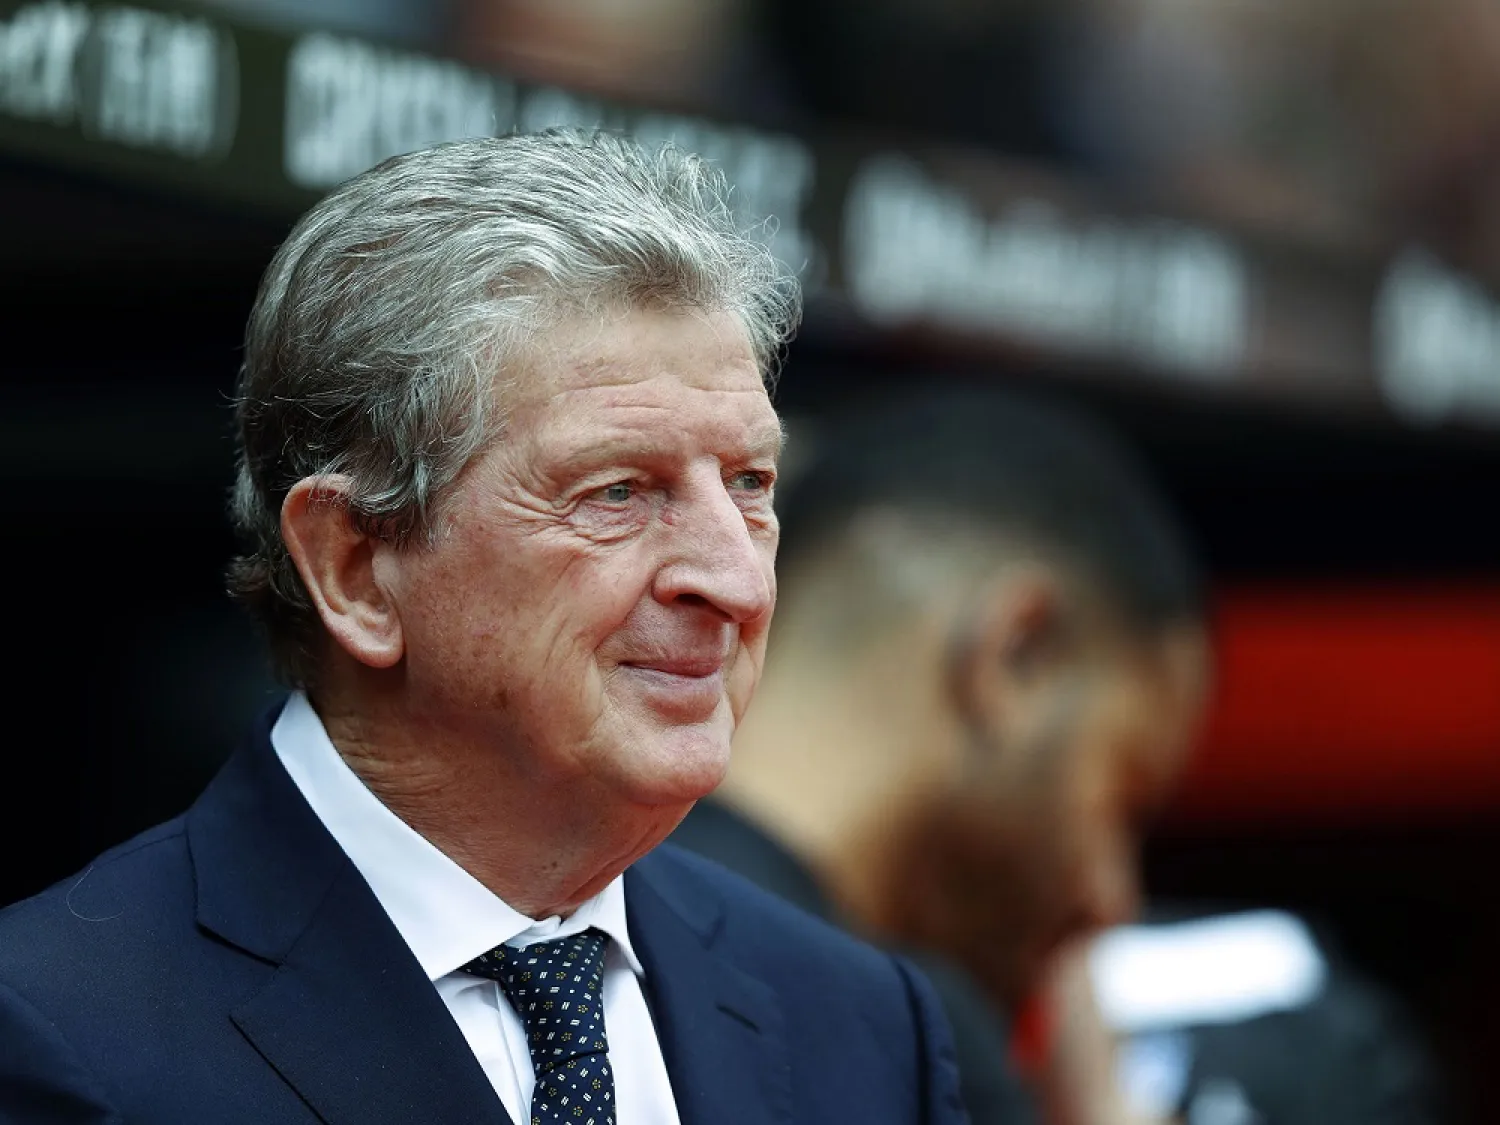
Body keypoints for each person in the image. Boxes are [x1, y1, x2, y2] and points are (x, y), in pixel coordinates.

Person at [0, 130, 968, 1125]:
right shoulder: (58, 1040)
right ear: (355, 568)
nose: (736, 580)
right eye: (618, 492)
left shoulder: (861, 1027)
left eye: (750, 485)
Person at [670, 386, 1445, 1125]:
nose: (1111, 899)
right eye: (1122, 803)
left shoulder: (576, 924)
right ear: (1017, 655)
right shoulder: (894, 1038)